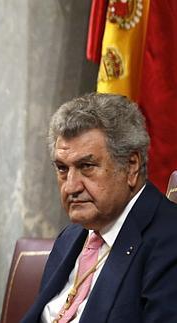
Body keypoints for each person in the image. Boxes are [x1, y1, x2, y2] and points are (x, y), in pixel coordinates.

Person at [21, 93, 177, 323]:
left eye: (86, 166)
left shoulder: (169, 241)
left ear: (131, 166)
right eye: (62, 169)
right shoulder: (70, 237)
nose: (71, 187)